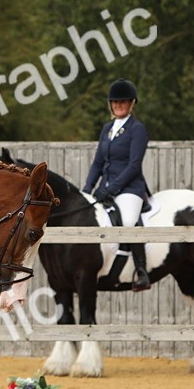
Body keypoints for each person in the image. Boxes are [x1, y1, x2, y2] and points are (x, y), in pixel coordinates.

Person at [84, 78, 152, 291]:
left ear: (132, 103)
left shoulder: (137, 129)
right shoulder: (107, 129)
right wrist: (86, 190)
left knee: (129, 222)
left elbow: (133, 166)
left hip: (130, 189)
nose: (119, 105)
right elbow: (98, 162)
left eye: (123, 101)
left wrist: (111, 189)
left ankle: (141, 272)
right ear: (110, 104)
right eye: (115, 101)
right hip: (104, 187)